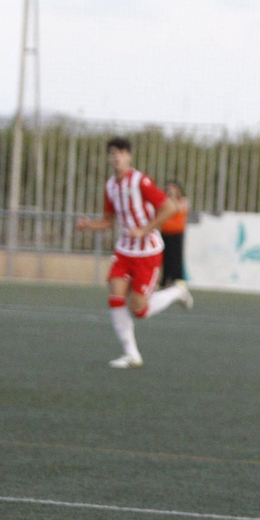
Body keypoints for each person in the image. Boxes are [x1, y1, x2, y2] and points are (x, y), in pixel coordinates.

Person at [75, 137, 193, 368]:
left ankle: (177, 292)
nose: (116, 157)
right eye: (112, 153)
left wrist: (144, 230)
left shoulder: (141, 181)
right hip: (124, 251)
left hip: (148, 252)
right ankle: (131, 354)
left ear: (129, 156)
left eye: (121, 152)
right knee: (115, 293)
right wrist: (89, 225)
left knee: (139, 310)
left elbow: (169, 207)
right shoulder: (110, 186)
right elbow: (109, 220)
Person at [159, 181, 190, 285]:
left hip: (177, 232)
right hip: (165, 232)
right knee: (165, 256)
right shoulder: (165, 201)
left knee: (176, 256)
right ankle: (165, 278)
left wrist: (172, 198)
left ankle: (177, 278)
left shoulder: (183, 201)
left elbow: (177, 209)